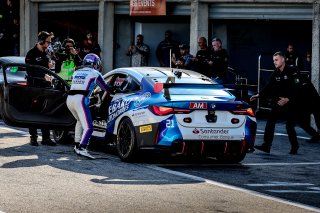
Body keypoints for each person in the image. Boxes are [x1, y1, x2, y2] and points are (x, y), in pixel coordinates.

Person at [250, 51, 302, 154]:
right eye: (274, 60)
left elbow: (298, 88)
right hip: (279, 103)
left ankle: (295, 146)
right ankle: (266, 145)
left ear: (283, 59)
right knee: (270, 121)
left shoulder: (293, 71)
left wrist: (288, 99)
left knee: (289, 126)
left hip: (292, 103)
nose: (275, 62)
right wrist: (258, 95)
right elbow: (269, 87)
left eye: (276, 60)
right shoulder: (276, 72)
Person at [66, 53, 112, 159]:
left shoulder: (76, 72)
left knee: (79, 121)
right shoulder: (95, 73)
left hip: (69, 100)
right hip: (80, 100)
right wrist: (114, 89)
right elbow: (105, 88)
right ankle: (82, 148)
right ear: (95, 64)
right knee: (89, 127)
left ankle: (77, 145)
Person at [25, 31, 56, 146]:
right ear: (42, 40)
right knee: (34, 112)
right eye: (48, 41)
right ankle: (33, 137)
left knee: (46, 111)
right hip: (34, 87)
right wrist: (43, 76)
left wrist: (50, 65)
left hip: (46, 86)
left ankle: (46, 138)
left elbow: (48, 66)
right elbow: (30, 70)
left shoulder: (47, 53)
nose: (49, 44)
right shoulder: (31, 53)